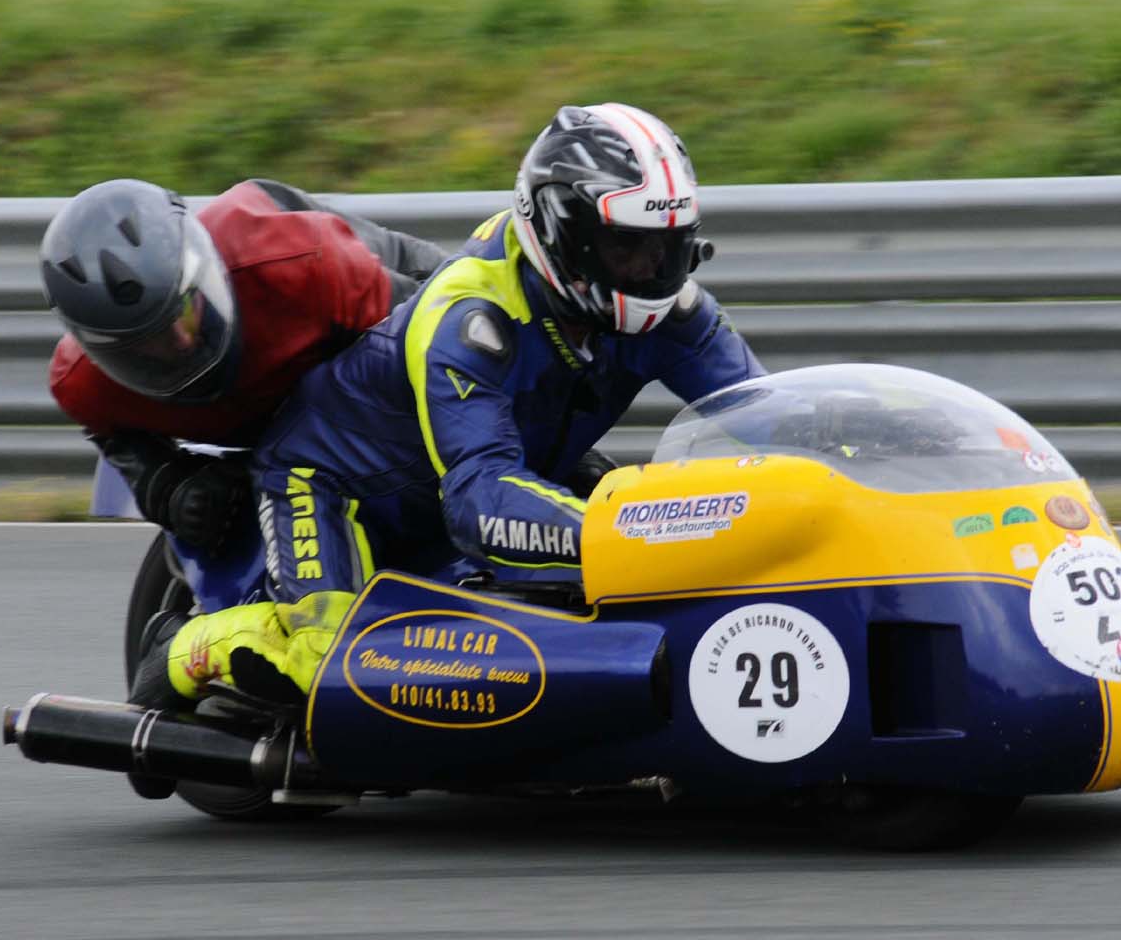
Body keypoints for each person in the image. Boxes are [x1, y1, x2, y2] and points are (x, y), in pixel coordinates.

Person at [129, 103, 765, 714]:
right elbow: (480, 506)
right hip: (331, 487)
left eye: (669, 248)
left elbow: (761, 413)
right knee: (332, 665)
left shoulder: (671, 311)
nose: (653, 271)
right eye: (628, 247)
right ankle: (190, 648)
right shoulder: (469, 317)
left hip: (471, 481)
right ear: (564, 235)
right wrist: (634, 538)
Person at [40, 177, 449, 555]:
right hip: (273, 424)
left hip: (396, 296)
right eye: (149, 343)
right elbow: (122, 446)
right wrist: (170, 489)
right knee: (207, 514)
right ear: (102, 350)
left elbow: (434, 339)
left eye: (184, 312)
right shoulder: (81, 383)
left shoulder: (306, 268)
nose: (182, 342)